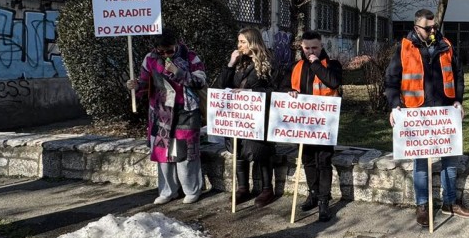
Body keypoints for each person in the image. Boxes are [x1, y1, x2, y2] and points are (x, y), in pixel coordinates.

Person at [384, 8, 469, 227]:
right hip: (417, 113)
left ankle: (450, 202)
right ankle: (423, 205)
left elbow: (458, 75)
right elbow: (391, 79)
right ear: (417, 28)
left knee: (450, 161)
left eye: (435, 26)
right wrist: (395, 105)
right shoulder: (404, 48)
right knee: (421, 164)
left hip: (444, 112)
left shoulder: (446, 45)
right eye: (428, 27)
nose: (433, 30)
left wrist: (458, 100)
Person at [127, 29, 207, 205]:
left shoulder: (191, 57)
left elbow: (200, 81)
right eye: (160, 51)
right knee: (163, 152)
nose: (165, 54)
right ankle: (168, 190)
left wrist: (178, 71)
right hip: (161, 111)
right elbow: (145, 81)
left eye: (169, 50)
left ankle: (191, 189)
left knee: (185, 153)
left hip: (185, 110)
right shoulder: (150, 58)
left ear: (176, 44)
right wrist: (136, 85)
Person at [283, 30, 342, 222]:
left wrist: (316, 62)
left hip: (324, 123)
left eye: (314, 47)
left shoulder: (332, 65)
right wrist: (289, 91)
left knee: (323, 161)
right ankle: (313, 194)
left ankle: (324, 201)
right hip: (303, 124)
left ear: (321, 46)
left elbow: (332, 82)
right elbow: (283, 86)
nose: (310, 51)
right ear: (301, 47)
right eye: (307, 48)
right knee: (307, 159)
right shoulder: (296, 66)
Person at [220, 26, 280, 208]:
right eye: (238, 41)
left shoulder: (269, 61)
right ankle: (243, 188)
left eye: (242, 42)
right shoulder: (239, 62)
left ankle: (267, 189)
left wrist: (250, 93)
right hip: (238, 117)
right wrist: (230, 63)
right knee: (238, 150)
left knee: (262, 152)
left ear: (253, 42)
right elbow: (222, 85)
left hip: (259, 116)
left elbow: (275, 90)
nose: (239, 45)